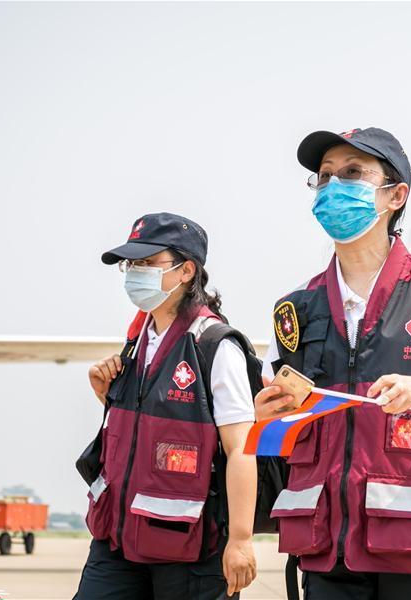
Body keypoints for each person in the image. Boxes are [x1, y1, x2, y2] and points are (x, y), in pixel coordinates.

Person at [255, 128, 411, 599]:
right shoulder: (296, 307)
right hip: (326, 548)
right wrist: (268, 411)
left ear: (395, 196)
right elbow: (279, 422)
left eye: (352, 174)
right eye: (324, 177)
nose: (333, 187)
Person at [74, 213, 258, 600]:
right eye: (131, 264)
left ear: (186, 270)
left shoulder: (215, 345)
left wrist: (240, 540)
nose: (134, 273)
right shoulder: (138, 339)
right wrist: (105, 394)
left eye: (146, 263)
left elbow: (241, 447)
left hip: (191, 548)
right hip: (117, 539)